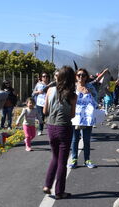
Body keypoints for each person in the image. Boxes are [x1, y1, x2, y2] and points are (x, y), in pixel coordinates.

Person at [42, 66, 77, 199]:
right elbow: (72, 115)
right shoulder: (73, 95)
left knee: (54, 157)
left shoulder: (50, 90)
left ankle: (47, 185)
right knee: (62, 161)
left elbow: (45, 111)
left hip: (51, 127)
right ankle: (59, 192)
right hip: (64, 128)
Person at [68, 68, 98, 169]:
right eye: (79, 75)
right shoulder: (72, 87)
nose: (81, 77)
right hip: (75, 116)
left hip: (87, 117)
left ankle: (87, 160)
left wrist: (89, 93)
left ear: (86, 77)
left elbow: (96, 100)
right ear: (76, 76)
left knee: (86, 139)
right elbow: (67, 99)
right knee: (75, 139)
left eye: (83, 75)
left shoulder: (90, 87)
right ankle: (74, 159)